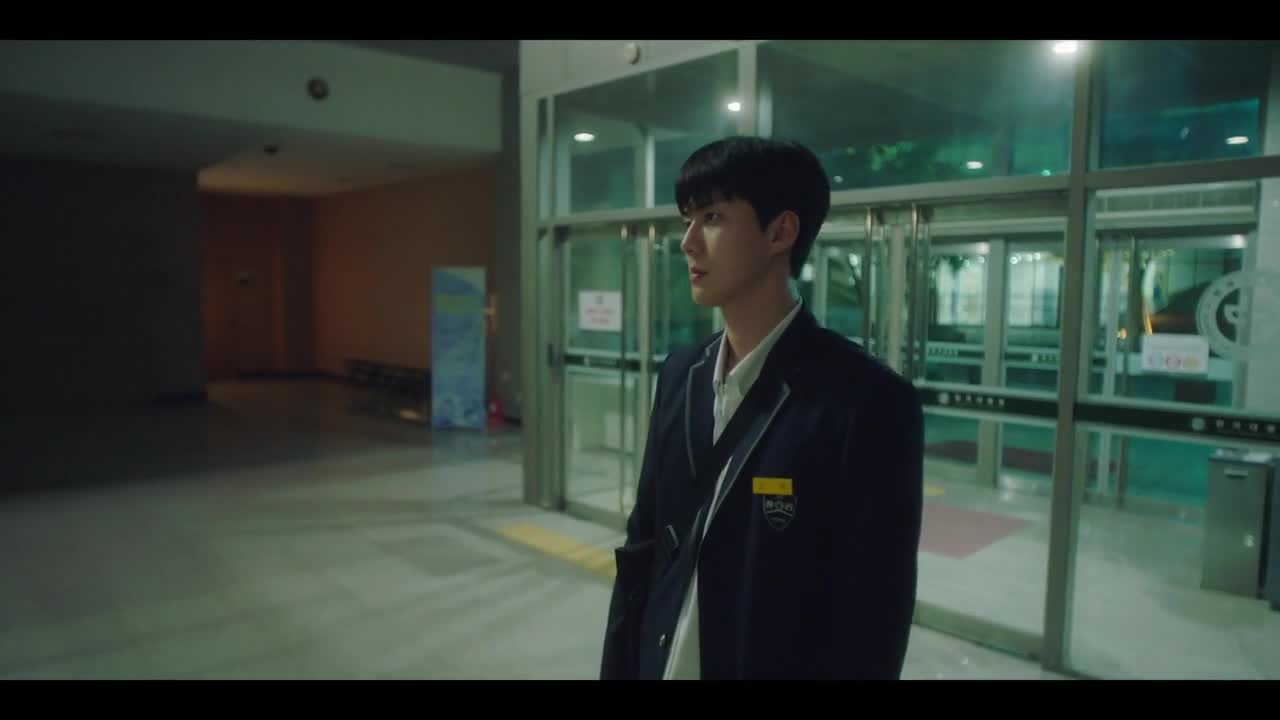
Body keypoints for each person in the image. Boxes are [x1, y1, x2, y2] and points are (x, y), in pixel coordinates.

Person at [599, 136, 924, 680]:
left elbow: (871, 621)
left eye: (712, 218)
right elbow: (644, 552)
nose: (688, 243)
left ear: (781, 232)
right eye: (687, 220)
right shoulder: (682, 374)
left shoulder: (866, 402)